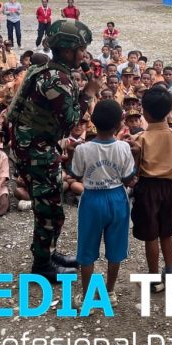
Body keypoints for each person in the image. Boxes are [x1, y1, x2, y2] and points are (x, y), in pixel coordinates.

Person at [8, 18, 97, 282]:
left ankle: (49, 252)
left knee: (51, 204)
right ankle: (43, 265)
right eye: (81, 49)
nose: (84, 55)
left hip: (35, 146)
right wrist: (88, 93)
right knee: (50, 209)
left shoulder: (50, 69)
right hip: (37, 151)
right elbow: (70, 122)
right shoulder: (56, 79)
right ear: (67, 50)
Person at [69, 99, 135, 307]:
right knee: (115, 248)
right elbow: (128, 178)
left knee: (87, 250)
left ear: (94, 123)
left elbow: (76, 174)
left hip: (91, 199)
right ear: (119, 124)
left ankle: (87, 297)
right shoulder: (124, 147)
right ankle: (110, 292)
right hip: (117, 198)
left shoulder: (83, 149)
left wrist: (71, 153)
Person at [131, 86, 172, 292]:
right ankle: (170, 271)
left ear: (145, 112)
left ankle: (154, 278)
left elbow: (135, 168)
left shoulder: (140, 139)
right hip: (171, 187)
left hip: (148, 188)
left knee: (151, 235)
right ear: (168, 111)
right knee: (167, 232)